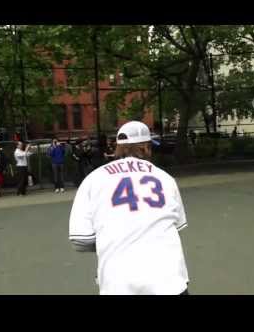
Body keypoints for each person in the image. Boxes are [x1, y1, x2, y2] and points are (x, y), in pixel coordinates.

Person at [69, 121, 189, 295]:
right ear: (146, 147)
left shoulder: (93, 179)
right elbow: (176, 226)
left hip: (118, 283)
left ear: (118, 146)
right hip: (169, 281)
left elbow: (80, 240)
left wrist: (113, 239)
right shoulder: (165, 178)